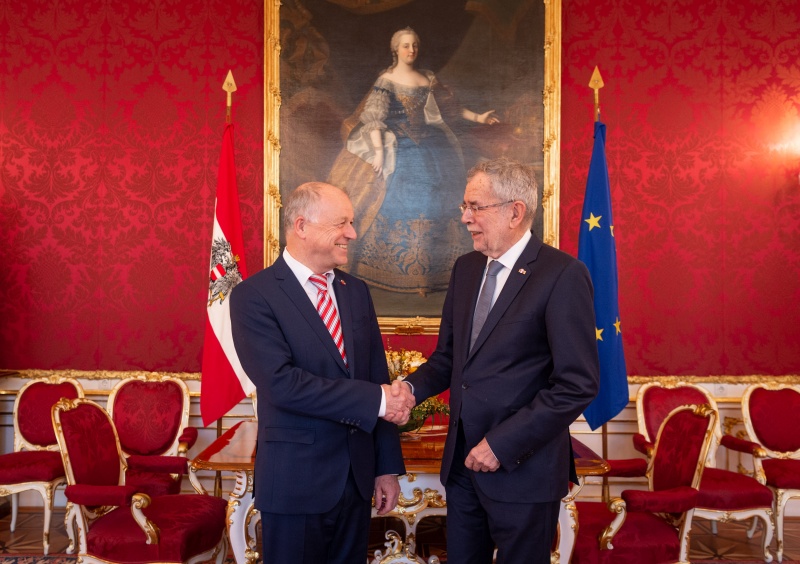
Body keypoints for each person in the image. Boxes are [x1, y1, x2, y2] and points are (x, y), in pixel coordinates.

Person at [400, 157, 600, 564]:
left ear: (515, 212)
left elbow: (577, 384)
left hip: (523, 470)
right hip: (463, 466)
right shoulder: (466, 268)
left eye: (475, 207)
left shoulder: (562, 274)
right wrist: (407, 389)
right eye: (465, 206)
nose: (465, 218)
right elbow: (449, 358)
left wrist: (501, 444)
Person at [229, 182, 416, 563]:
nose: (352, 233)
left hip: (356, 482)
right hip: (295, 484)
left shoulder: (355, 291)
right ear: (302, 226)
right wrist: (379, 400)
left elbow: (375, 375)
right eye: (341, 223)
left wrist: (385, 469)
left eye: (351, 223)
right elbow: (282, 384)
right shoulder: (254, 296)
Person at [328, 27, 499, 297]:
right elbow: (374, 118)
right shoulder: (386, 80)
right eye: (406, 45)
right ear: (396, 49)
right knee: (397, 195)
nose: (411, 50)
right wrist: (379, 153)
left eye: (415, 45)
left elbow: (450, 109)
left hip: (430, 145)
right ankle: (391, 269)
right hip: (397, 146)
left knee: (436, 197)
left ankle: (431, 272)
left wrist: (479, 118)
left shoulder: (427, 78)